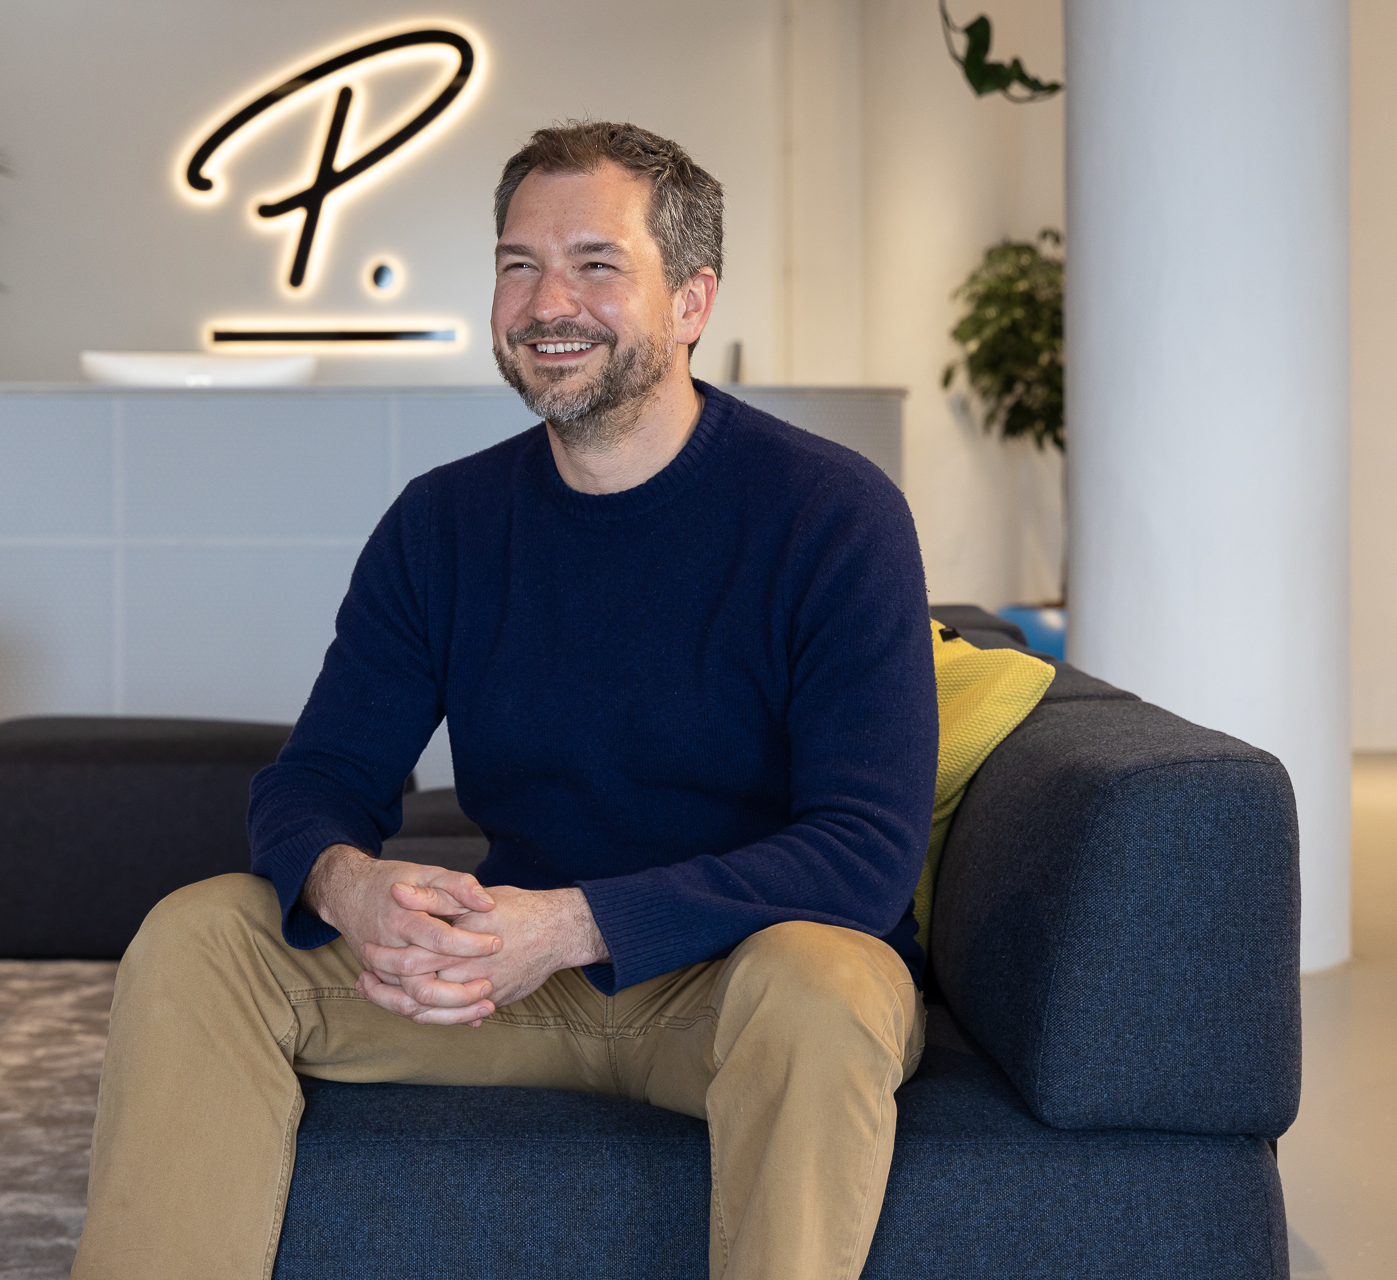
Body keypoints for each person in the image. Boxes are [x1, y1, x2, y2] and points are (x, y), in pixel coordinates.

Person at [72, 121, 937, 1280]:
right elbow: (316, 780)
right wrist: (351, 882)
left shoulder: (832, 513)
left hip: (743, 981)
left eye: (594, 263)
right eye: (517, 263)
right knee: (203, 935)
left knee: (828, 983)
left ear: (691, 300)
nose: (546, 301)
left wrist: (573, 921)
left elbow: (865, 853)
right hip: (507, 984)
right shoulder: (445, 524)